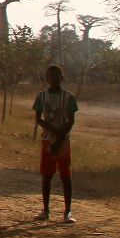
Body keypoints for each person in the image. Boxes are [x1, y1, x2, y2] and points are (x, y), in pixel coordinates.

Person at [32, 64, 78, 223]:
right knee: (47, 175)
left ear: (61, 78)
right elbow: (38, 119)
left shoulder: (69, 97)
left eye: (56, 76)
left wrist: (59, 135)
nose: (53, 79)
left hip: (63, 140)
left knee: (66, 176)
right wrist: (53, 131)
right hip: (48, 139)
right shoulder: (41, 97)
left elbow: (71, 120)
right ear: (47, 78)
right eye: (50, 76)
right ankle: (45, 210)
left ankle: (67, 211)